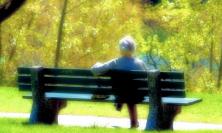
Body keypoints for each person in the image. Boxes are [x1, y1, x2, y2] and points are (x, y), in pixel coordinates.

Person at [91, 35, 147, 128]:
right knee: (130, 92)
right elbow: (147, 78)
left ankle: (120, 103)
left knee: (124, 91)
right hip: (137, 96)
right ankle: (133, 122)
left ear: (121, 49)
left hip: (120, 94)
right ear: (133, 49)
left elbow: (95, 70)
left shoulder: (115, 62)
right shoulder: (139, 63)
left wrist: (97, 64)